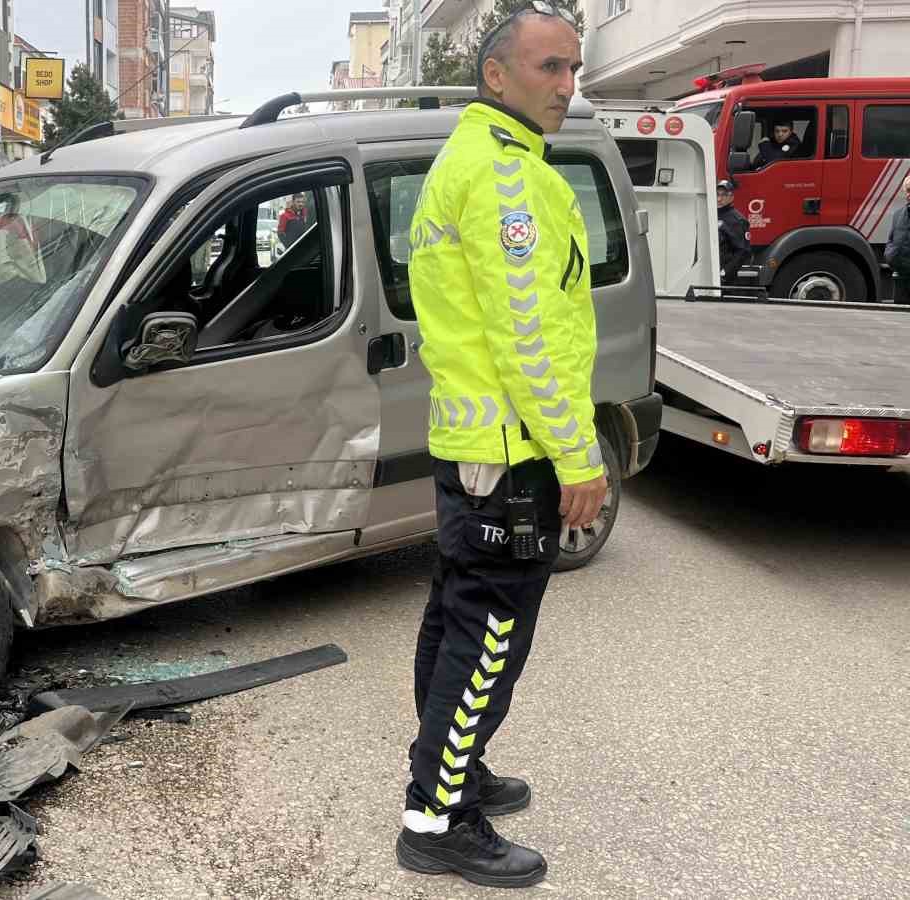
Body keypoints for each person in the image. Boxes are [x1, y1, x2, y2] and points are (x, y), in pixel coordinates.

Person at [397, 4, 604, 889]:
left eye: (573, 69)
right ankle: (436, 817)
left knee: (456, 618)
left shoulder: (478, 160)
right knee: (488, 637)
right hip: (514, 452)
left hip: (475, 440)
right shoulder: (505, 178)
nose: (567, 86)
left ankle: (454, 767)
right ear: (496, 75)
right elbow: (532, 337)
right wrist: (580, 457)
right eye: (550, 67)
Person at [716, 179, 752, 284]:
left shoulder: (738, 220)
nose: (719, 199)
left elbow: (743, 251)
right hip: (708, 272)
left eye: (724, 195)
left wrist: (725, 272)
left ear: (731, 197)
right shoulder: (709, 214)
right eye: (717, 194)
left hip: (725, 279)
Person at [886, 174, 910, 304]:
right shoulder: (898, 214)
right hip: (901, 275)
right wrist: (890, 256)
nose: (909, 194)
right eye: (908, 190)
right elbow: (891, 240)